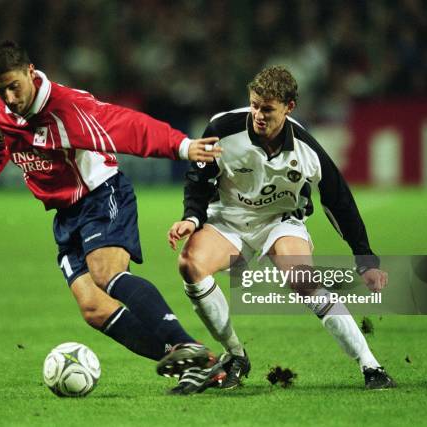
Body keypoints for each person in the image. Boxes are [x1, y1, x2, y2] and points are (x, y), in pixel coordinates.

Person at [0, 40, 225, 395]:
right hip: (66, 214)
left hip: (102, 195)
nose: (10, 97)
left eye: (14, 86)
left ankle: (183, 343)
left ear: (30, 73)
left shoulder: (66, 108)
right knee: (93, 308)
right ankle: (203, 364)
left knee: (107, 274)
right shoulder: (1, 113)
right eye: (0, 90)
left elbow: (125, 125)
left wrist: (181, 146)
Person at [168, 65, 396, 390]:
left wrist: (365, 259)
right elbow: (198, 180)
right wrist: (191, 218)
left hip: (280, 221)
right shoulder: (221, 129)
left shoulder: (307, 149)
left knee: (302, 279)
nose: (258, 114)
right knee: (190, 265)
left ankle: (370, 365)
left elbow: (339, 201)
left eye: (268, 109)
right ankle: (235, 354)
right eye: (254, 105)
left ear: (289, 108)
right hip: (228, 219)